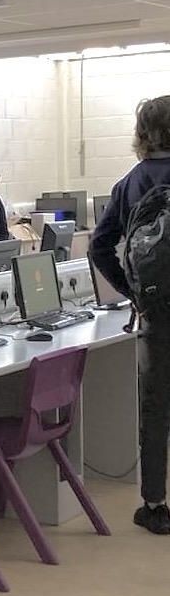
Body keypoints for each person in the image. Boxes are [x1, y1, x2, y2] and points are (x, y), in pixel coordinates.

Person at [90, 95, 170, 535]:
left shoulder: (129, 183)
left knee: (155, 408)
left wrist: (132, 292)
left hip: (156, 311)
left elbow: (99, 248)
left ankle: (154, 505)